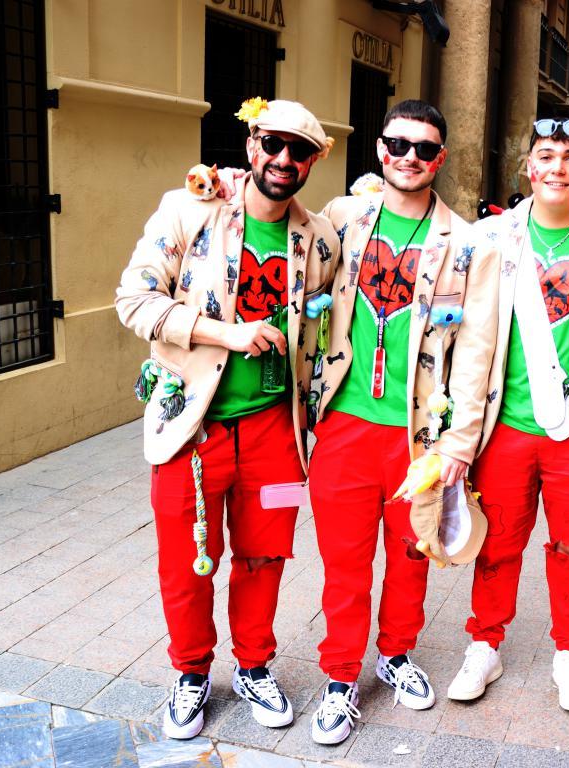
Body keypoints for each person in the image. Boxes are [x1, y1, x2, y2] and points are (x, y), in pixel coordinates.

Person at [116, 99, 339, 739]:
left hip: (276, 433)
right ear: (251, 145)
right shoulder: (190, 210)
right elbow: (133, 300)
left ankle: (254, 665)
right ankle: (191, 673)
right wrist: (227, 333)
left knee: (265, 556)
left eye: (301, 150)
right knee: (188, 561)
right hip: (190, 427)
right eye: (273, 144)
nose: (284, 159)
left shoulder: (320, 238)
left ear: (314, 161)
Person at [306, 100, 497, 746]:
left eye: (424, 148)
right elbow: (277, 224)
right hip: (344, 425)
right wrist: (224, 190)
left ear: (439, 159)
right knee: (345, 564)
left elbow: (476, 352)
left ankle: (395, 653)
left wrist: (459, 444)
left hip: (420, 436)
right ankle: (340, 679)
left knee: (413, 555)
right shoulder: (343, 218)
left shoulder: (467, 244)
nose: (409, 157)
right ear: (379, 150)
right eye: (398, 144)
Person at [445, 118, 569, 713]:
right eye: (546, 156)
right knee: (496, 543)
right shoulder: (492, 236)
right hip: (508, 425)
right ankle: (484, 644)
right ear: (528, 166)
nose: (558, 168)